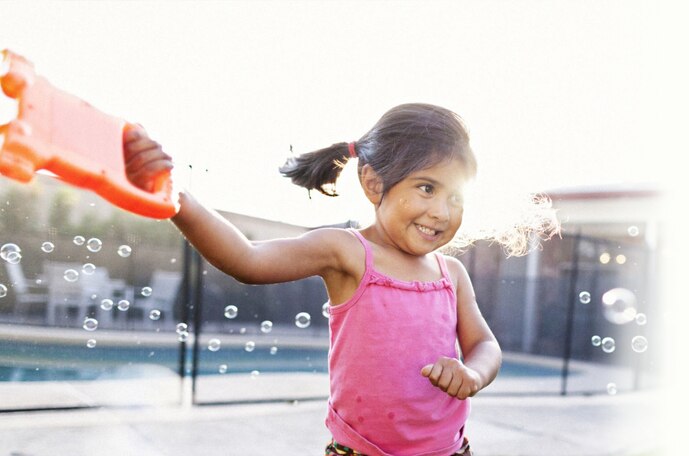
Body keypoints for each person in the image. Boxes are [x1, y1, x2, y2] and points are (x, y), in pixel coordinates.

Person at [123, 103, 550, 456]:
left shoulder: (451, 273)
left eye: (455, 196)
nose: (442, 211)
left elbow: (485, 344)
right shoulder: (347, 252)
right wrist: (175, 196)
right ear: (372, 182)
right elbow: (247, 260)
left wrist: (472, 374)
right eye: (426, 188)